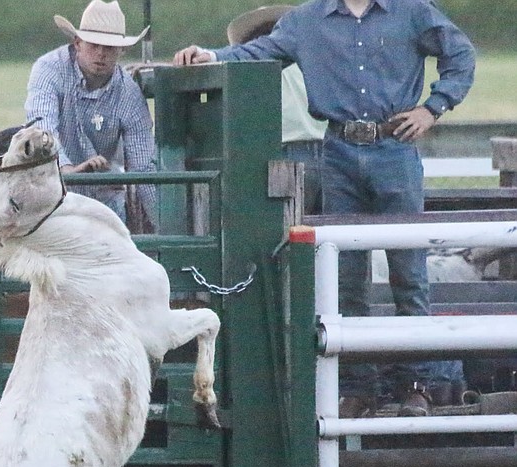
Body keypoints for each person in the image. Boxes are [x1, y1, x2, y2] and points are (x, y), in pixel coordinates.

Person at [173, 0, 475, 417]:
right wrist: (211, 56)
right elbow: (258, 51)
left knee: (409, 274)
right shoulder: (306, 20)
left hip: (394, 147)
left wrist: (433, 107)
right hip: (338, 149)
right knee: (345, 280)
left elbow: (460, 54)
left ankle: (415, 384)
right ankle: (357, 388)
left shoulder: (411, 11)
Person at [25, 0, 158, 233]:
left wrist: (164, 225)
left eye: (109, 47)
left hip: (105, 203)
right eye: (94, 44)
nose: (101, 54)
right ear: (77, 43)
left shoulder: (128, 93)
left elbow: (143, 166)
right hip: (51, 196)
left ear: (122, 50)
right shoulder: (48, 69)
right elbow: (42, 127)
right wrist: (65, 168)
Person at [225, 5, 327, 216]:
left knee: (285, 232)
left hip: (284, 154)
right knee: (332, 236)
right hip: (330, 151)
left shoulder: (256, 67)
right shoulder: (313, 60)